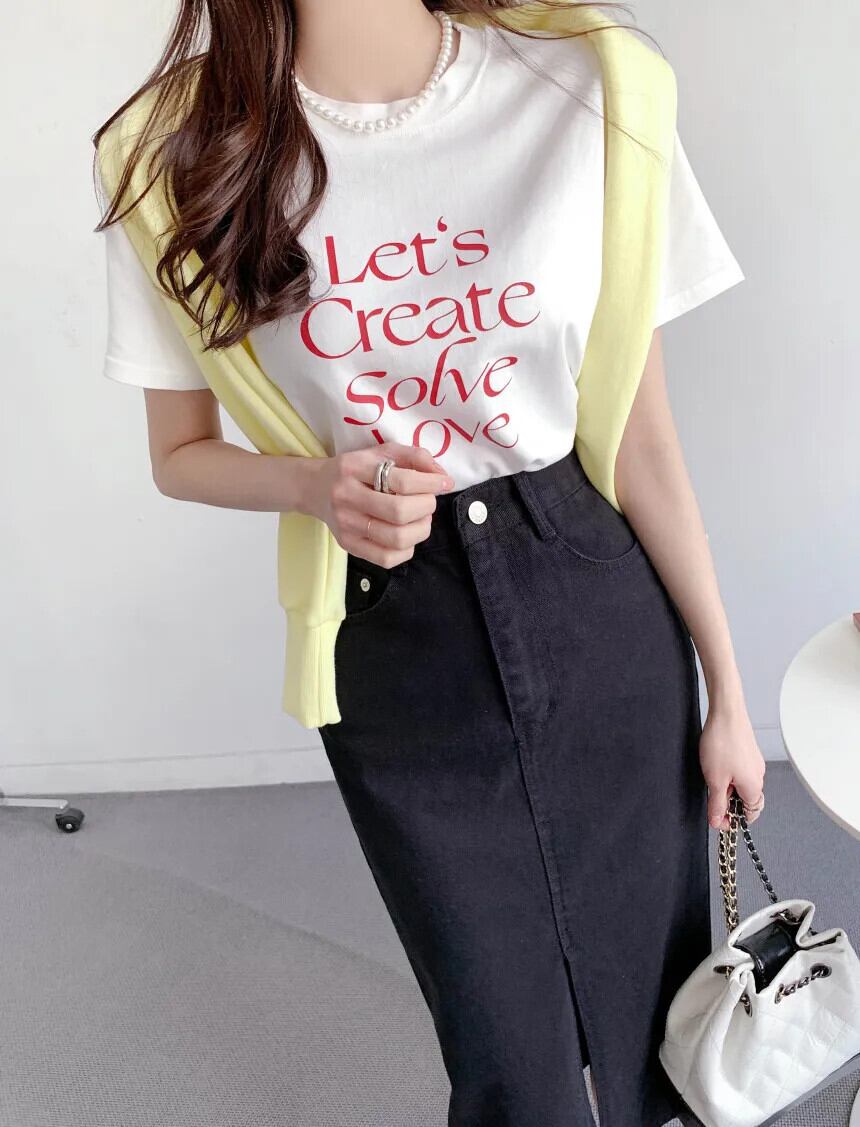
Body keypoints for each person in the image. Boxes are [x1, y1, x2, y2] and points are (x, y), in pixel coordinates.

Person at [94, 2, 766, 1124]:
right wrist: (316, 485)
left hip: (591, 589)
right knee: (507, 1051)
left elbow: (644, 440)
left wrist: (728, 694)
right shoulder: (170, 149)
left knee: (658, 1011)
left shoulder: (588, 87)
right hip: (394, 633)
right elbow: (178, 454)